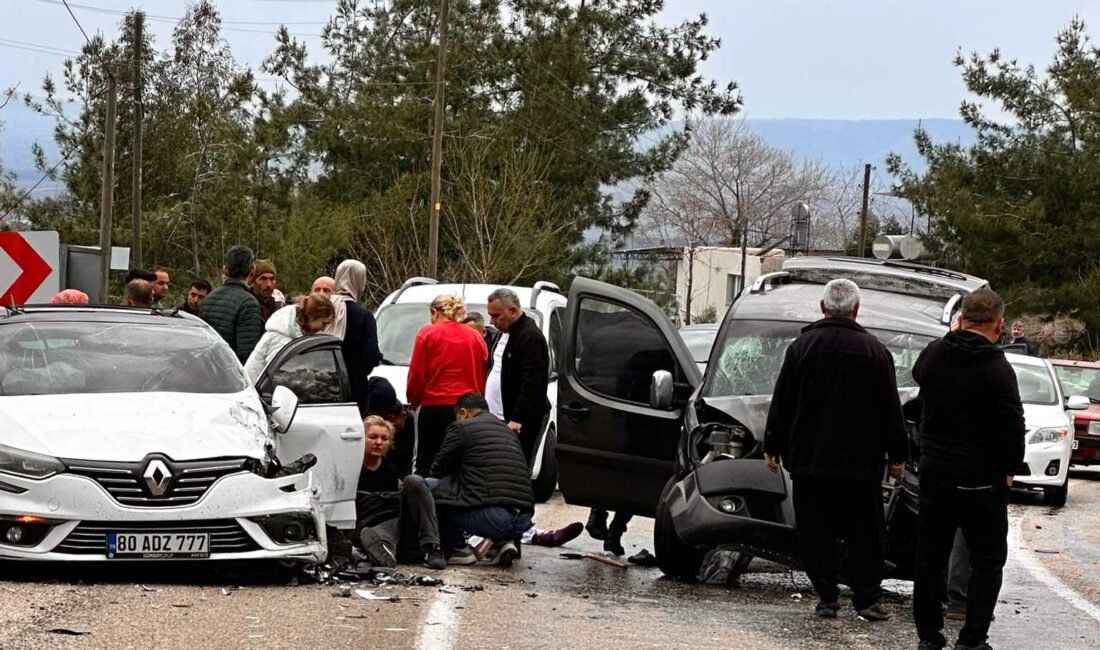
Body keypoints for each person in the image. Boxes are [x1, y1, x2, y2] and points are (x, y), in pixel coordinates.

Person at [763, 278, 908, 622]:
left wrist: (773, 444)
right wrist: (899, 454)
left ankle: (827, 597)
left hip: (810, 460)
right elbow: (891, 407)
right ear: (856, 311)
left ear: (823, 307)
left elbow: (783, 400)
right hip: (861, 463)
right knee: (866, 532)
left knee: (815, 531)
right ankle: (867, 599)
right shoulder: (875, 351)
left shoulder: (801, 348)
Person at [911, 289, 1025, 650]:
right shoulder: (998, 368)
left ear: (960, 319)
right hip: (982, 480)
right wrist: (1009, 469)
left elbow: (918, 376)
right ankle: (972, 639)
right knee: (987, 561)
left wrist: (952, 335)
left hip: (937, 473)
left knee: (930, 557)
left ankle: (929, 636)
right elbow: (1012, 424)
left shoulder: (934, 355)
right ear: (999, 324)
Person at [430, 392, 534, 567]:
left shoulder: (461, 428)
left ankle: (458, 549)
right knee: (495, 492)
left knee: (432, 489)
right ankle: (503, 544)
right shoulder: (507, 431)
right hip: (524, 521)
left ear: (463, 413)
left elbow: (438, 470)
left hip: (494, 519)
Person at [406, 295, 487, 475]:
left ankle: (426, 499)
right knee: (463, 460)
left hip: (434, 404)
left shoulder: (427, 334)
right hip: (468, 407)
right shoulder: (475, 337)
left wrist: (414, 400)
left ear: (435, 312)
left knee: (426, 460)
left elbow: (417, 374)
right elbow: (482, 374)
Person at [356, 416, 446, 571]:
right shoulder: (351, 468)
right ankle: (383, 550)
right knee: (377, 530)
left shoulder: (390, 470)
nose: (378, 442)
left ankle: (432, 548)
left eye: (384, 439)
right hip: (367, 523)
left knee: (414, 481)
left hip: (396, 522)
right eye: (373, 437)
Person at [486, 289, 551, 464]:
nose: (492, 321)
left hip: (519, 423)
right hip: (499, 416)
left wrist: (518, 418)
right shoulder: (504, 333)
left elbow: (533, 382)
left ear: (513, 311)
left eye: (496, 316)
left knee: (515, 468)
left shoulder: (529, 336)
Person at [322, 260, 381, 417]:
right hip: (352, 390)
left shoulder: (322, 310)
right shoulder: (364, 316)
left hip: (319, 386)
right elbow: (371, 356)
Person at [243, 293, 335, 382]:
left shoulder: (293, 335)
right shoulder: (283, 338)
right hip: (257, 393)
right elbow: (278, 376)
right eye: (323, 323)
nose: (323, 329)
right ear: (312, 317)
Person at [200, 245, 264, 365]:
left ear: (225, 270)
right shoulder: (248, 303)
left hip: (208, 369)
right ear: (253, 271)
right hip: (230, 375)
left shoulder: (209, 298)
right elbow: (247, 354)